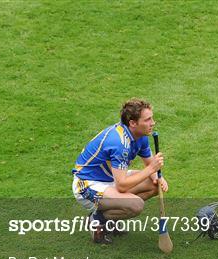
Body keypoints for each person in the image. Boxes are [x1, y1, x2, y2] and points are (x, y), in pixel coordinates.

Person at [71, 98, 168, 245]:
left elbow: (149, 164)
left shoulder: (139, 136)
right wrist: (151, 169)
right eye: (148, 120)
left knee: (154, 185)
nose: (153, 123)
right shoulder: (119, 143)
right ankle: (97, 220)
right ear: (132, 123)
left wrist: (158, 177)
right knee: (136, 205)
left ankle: (111, 219)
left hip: (111, 179)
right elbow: (122, 185)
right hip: (87, 184)